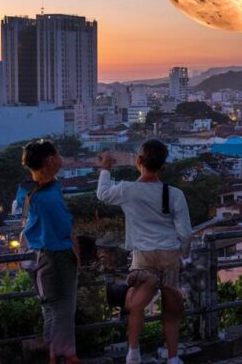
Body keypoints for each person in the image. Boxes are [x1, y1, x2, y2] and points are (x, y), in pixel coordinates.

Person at [96, 140, 191, 364]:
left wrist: (106, 168)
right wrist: (183, 256)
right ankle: (173, 357)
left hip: (142, 256)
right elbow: (185, 233)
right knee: (170, 309)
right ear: (163, 165)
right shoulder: (174, 194)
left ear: (139, 161)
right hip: (169, 255)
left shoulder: (128, 190)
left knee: (137, 303)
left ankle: (133, 352)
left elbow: (102, 194)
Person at [15, 139, 80, 364]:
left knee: (51, 309)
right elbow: (65, 229)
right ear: (51, 160)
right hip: (56, 256)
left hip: (36, 255)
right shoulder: (49, 197)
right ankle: (66, 356)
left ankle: (51, 356)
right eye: (58, 154)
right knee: (63, 310)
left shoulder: (27, 189)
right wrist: (77, 254)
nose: (61, 158)